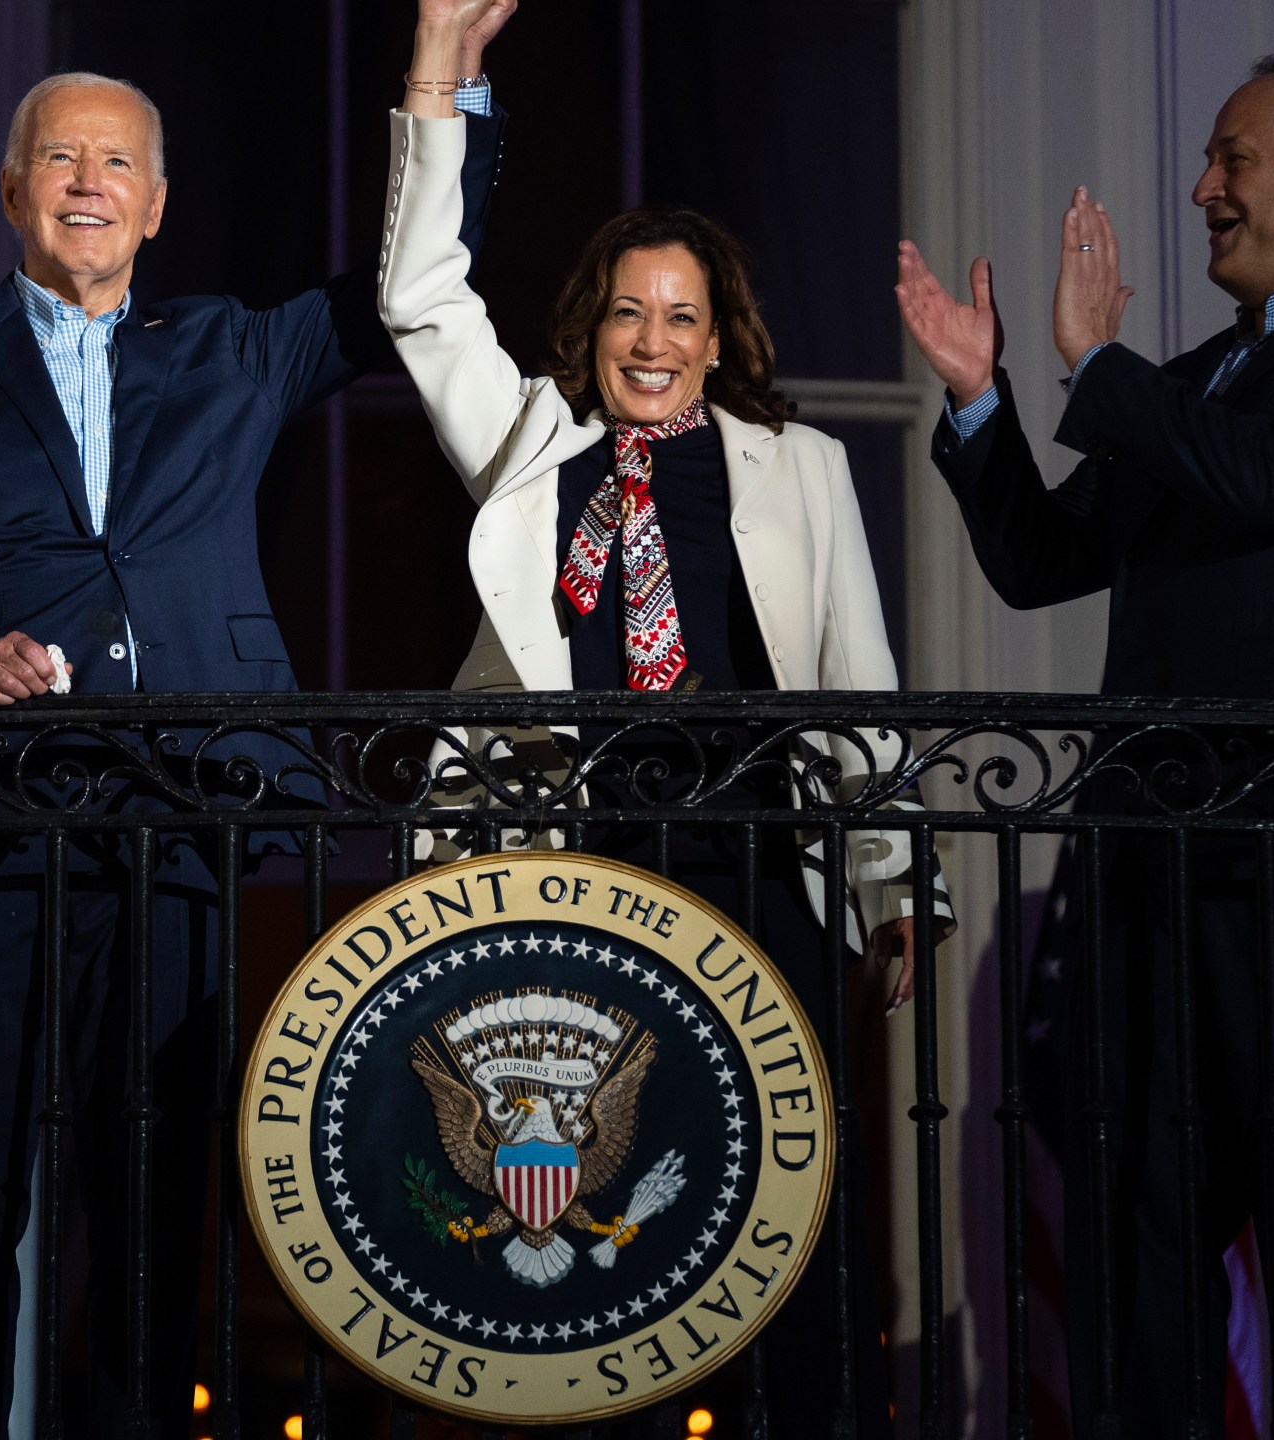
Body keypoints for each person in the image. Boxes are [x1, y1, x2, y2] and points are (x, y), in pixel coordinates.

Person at [0, 8, 515, 1434]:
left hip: (181, 813)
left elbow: (412, 281)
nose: (88, 181)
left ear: (156, 202)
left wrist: (441, 73)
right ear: (12, 190)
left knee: (149, 1205)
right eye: (60, 158)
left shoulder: (232, 350)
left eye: (118, 162)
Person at [896, 53, 1274, 1438]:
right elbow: (1048, 560)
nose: (1201, 187)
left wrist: (1099, 368)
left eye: (1233, 157)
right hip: (1158, 865)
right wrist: (983, 406)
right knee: (1140, 1229)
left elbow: (1271, 481)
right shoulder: (1195, 375)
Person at [382, 5, 947, 1430]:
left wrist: (895, 884)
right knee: (601, 1225)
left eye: (681, 315)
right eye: (629, 310)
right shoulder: (537, 445)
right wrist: (440, 77)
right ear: (596, 324)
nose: (652, 337)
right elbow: (422, 302)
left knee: (789, 1200)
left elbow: (857, 681)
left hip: (760, 868)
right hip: (579, 870)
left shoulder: (798, 466)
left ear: (719, 337)